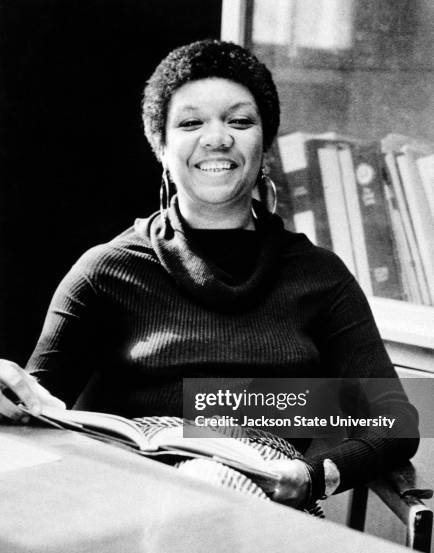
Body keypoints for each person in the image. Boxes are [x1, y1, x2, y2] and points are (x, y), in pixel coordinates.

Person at [0, 39, 419, 510]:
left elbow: (395, 420)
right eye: (191, 122)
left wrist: (315, 476)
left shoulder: (320, 277)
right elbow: (33, 411)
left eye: (239, 121)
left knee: (214, 485)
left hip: (266, 505)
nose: (217, 138)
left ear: (265, 146)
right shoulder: (105, 272)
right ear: (161, 147)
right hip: (128, 502)